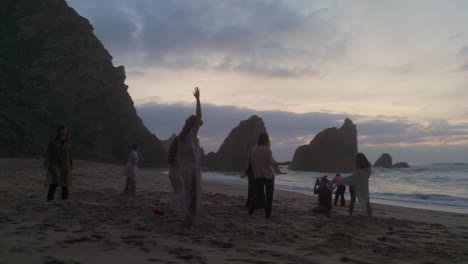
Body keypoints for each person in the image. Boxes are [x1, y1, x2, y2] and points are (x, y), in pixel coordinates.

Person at [177, 87, 203, 227]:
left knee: (189, 193)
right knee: (194, 195)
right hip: (192, 170)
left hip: (185, 169)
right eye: (198, 125)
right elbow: (199, 115)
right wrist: (198, 100)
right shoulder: (191, 135)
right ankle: (189, 218)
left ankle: (189, 216)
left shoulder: (181, 137)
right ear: (193, 125)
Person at [248, 132, 290, 219]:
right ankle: (268, 215)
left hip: (258, 176)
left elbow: (251, 163)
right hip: (268, 176)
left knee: (257, 194)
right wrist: (284, 163)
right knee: (269, 196)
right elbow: (272, 163)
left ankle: (250, 211)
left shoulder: (254, 149)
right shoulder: (267, 149)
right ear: (266, 139)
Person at [44, 125, 73, 201]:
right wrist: (46, 162)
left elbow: (69, 154)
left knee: (65, 182)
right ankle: (50, 199)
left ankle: (64, 200)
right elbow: (48, 153)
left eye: (65, 130)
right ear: (59, 131)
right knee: (55, 180)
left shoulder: (68, 142)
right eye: (62, 130)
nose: (64, 131)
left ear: (67, 132)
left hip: (65, 164)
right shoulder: (53, 142)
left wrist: (71, 164)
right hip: (54, 163)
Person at [341, 153, 373, 218]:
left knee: (352, 200)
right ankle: (370, 217)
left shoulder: (358, 170)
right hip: (363, 186)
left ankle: (350, 215)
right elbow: (365, 177)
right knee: (367, 201)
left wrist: (342, 180)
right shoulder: (368, 169)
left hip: (353, 185)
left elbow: (353, 178)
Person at [167, 136, 185, 210]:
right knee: (180, 192)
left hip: (172, 173)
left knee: (178, 192)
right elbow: (178, 163)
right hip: (175, 174)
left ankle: (175, 207)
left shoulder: (173, 152)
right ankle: (174, 208)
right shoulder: (177, 152)